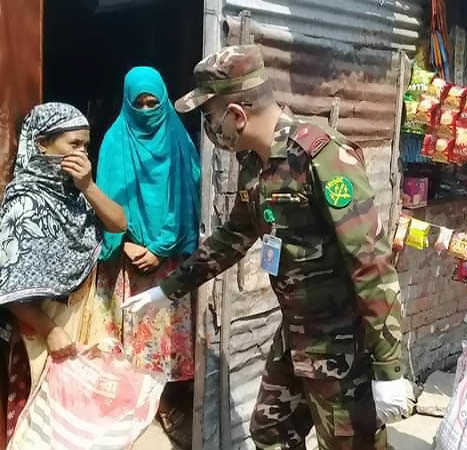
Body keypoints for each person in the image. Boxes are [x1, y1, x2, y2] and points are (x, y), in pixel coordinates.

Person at [123, 45, 409, 449]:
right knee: (271, 432)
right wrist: (166, 289)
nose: (208, 127)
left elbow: (371, 263)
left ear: (237, 115)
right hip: (297, 334)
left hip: (342, 343)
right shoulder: (256, 165)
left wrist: (388, 367)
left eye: (209, 115)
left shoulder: (321, 157)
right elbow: (232, 239)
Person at [0, 103, 127, 441]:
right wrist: (51, 330)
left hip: (86, 319)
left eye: (86, 145)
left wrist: (88, 186)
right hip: (43, 328)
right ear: (42, 144)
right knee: (46, 423)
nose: (82, 152)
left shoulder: (77, 192)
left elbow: (118, 222)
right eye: (74, 144)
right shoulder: (24, 200)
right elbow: (9, 285)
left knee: (88, 421)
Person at [91, 66, 201, 447]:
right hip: (128, 260)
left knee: (169, 343)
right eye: (139, 103)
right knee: (129, 344)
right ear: (127, 103)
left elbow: (189, 200)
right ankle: (134, 408)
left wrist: (160, 248)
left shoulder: (178, 141)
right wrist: (125, 243)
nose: (147, 109)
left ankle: (170, 406)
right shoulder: (114, 142)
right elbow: (104, 198)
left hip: (169, 261)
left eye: (154, 102)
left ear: (166, 101)